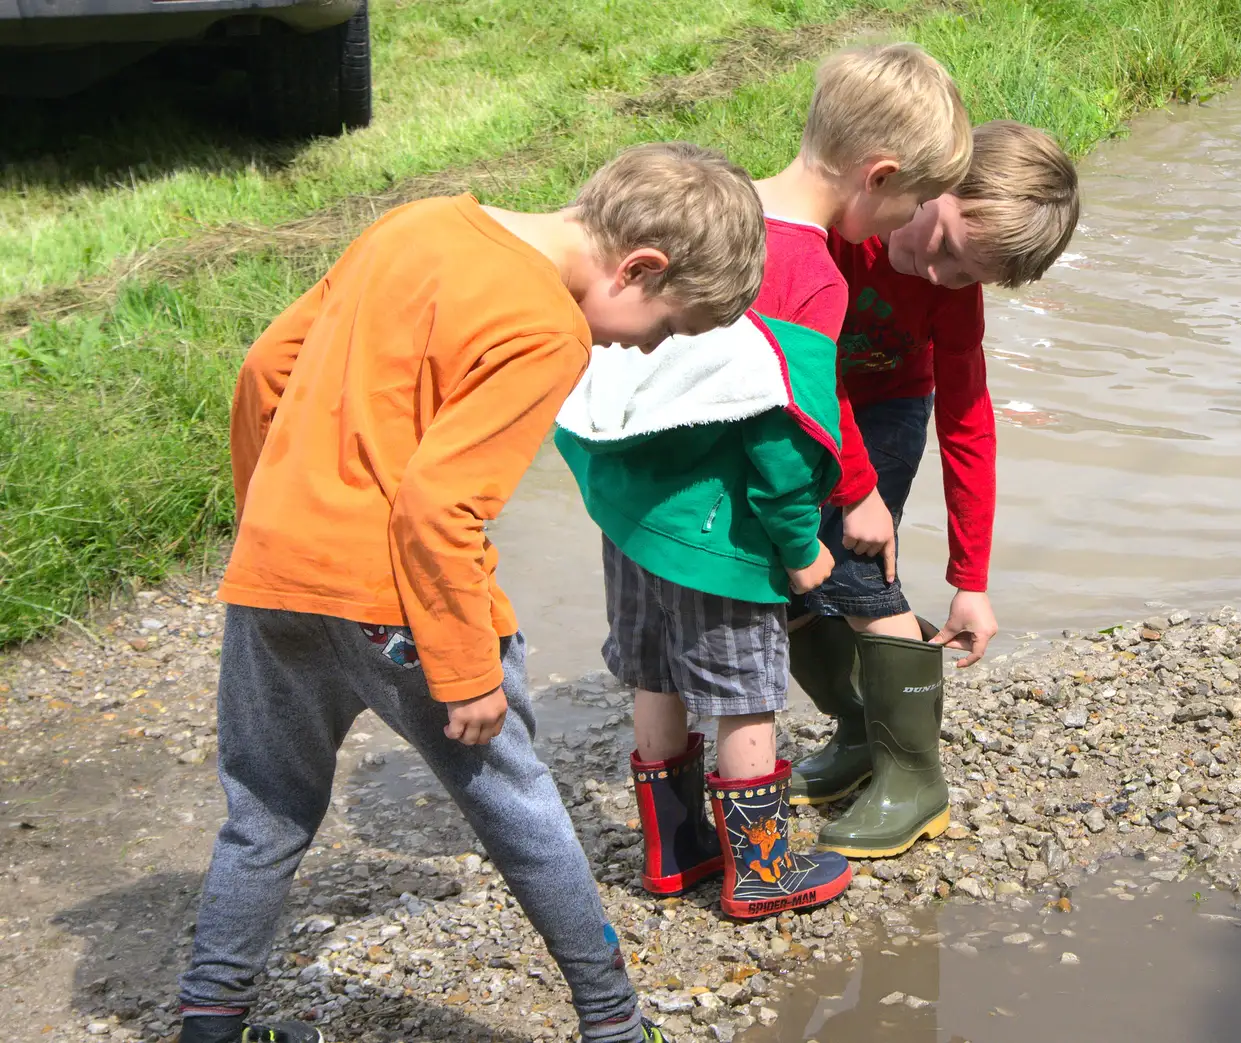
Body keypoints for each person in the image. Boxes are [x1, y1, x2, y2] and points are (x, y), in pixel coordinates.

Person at [174, 142, 767, 1043]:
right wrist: (464, 674)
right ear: (639, 267)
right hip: (401, 607)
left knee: (265, 811)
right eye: (666, 326)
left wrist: (277, 526)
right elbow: (437, 505)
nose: (645, 346)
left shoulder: (412, 224)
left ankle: (209, 1025)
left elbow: (264, 371)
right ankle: (613, 1022)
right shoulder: (547, 328)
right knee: (517, 808)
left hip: (274, 579)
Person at [555, 42, 972, 921]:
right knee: (747, 694)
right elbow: (791, 430)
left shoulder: (708, 208)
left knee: (655, 674)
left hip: (635, 514)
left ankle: (673, 851)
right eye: (910, 203)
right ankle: (763, 870)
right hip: (722, 532)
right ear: (878, 177)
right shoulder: (813, 273)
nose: (901, 226)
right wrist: (821, 530)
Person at [788, 120, 1082, 859]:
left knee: (857, 562)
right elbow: (807, 367)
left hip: (886, 403)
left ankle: (914, 779)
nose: (941, 279)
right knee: (787, 569)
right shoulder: (838, 230)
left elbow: (967, 422)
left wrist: (970, 580)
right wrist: (850, 486)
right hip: (801, 390)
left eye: (969, 277)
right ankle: (857, 727)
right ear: (931, 179)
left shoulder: (952, 292)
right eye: (947, 249)